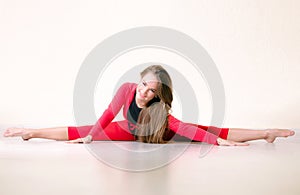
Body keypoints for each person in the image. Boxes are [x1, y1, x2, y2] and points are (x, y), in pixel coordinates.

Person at [3, 65, 295, 146]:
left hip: (157, 135)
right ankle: (30, 132)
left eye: (151, 90)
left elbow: (188, 129)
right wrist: (91, 135)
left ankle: (264, 132)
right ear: (138, 82)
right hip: (126, 132)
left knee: (213, 130)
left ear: (158, 95)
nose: (143, 93)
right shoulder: (127, 90)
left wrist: (218, 142)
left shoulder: (162, 117)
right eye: (143, 85)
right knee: (78, 130)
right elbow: (106, 114)